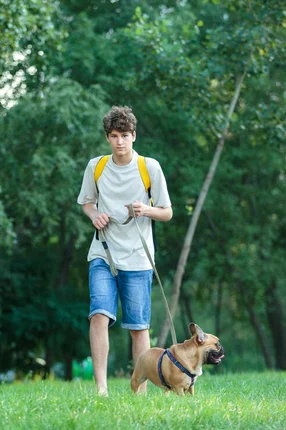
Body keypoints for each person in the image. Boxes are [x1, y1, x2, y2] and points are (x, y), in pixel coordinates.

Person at [76, 106, 173, 396]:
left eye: (125, 135)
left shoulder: (149, 167)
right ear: (108, 137)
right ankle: (101, 389)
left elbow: (167, 212)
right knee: (99, 315)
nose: (120, 141)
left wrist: (147, 210)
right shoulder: (97, 166)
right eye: (114, 135)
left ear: (134, 136)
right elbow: (86, 202)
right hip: (103, 252)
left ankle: (139, 393)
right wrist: (94, 215)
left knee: (138, 327)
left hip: (138, 257)